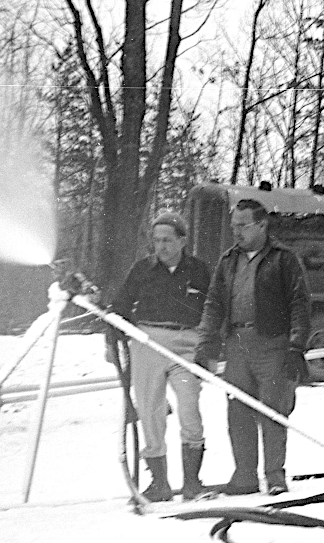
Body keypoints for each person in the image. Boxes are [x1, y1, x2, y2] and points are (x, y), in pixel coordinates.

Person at [195, 199, 311, 496]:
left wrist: (295, 347)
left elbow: (299, 303)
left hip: (272, 344)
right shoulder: (228, 260)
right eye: (234, 226)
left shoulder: (284, 259)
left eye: (243, 225)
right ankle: (244, 476)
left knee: (272, 410)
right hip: (236, 345)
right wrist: (207, 342)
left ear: (262, 225)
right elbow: (214, 303)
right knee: (238, 411)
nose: (237, 232)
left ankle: (274, 476)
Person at [105, 212, 212, 502]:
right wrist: (113, 336)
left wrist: (209, 349)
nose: (161, 246)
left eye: (167, 240)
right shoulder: (142, 269)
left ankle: (192, 483)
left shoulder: (200, 271)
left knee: (189, 408)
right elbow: (120, 305)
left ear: (182, 240)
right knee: (150, 411)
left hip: (186, 344)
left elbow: (215, 310)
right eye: (156, 240)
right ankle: (159, 484)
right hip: (148, 342)